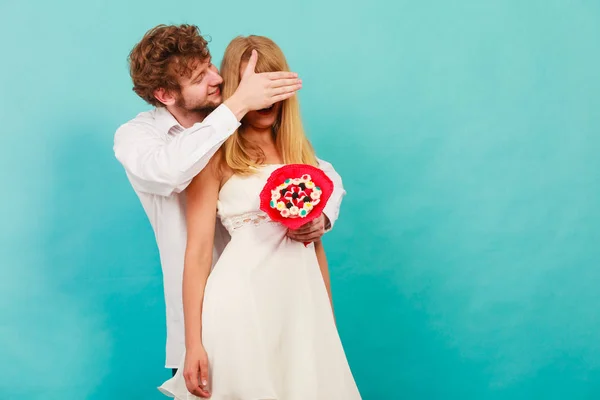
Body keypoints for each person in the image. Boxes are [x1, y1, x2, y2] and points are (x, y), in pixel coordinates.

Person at [113, 24, 346, 376]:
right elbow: (171, 171)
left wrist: (322, 214)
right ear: (165, 95)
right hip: (212, 313)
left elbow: (317, 171)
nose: (215, 80)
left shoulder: (234, 119)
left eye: (210, 65)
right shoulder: (140, 137)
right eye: (198, 77)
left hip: (282, 303)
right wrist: (237, 106)